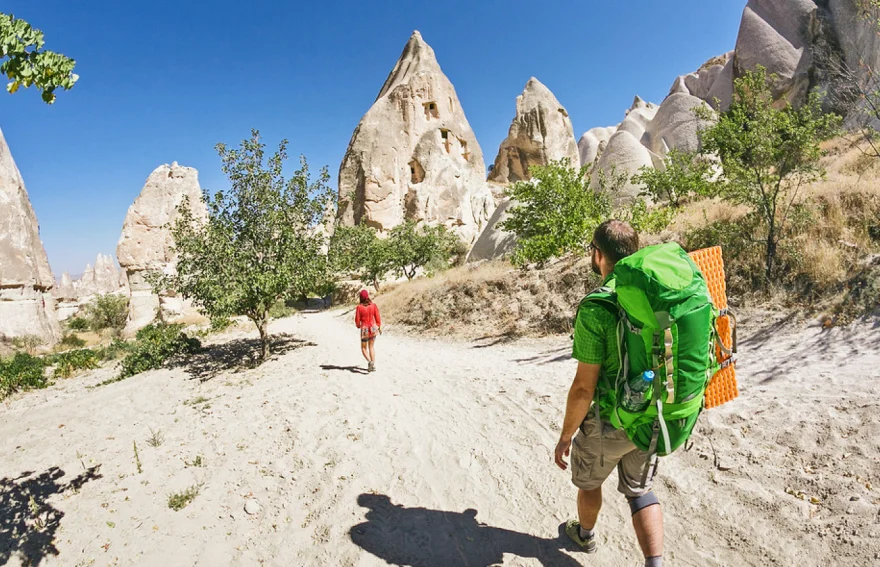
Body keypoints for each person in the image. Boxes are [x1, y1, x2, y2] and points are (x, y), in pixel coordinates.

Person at [553, 220, 664, 566]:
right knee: (640, 490)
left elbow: (584, 386)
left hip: (608, 422)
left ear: (598, 255)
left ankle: (584, 536)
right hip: (651, 413)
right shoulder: (655, 292)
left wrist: (566, 435)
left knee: (589, 482)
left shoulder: (597, 307)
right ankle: (655, 564)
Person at [355, 289, 381, 372]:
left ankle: (370, 362)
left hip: (365, 329)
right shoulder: (373, 305)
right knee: (371, 347)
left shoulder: (359, 307)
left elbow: (357, 320)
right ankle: (373, 365)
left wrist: (358, 325)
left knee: (363, 348)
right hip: (373, 328)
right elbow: (378, 318)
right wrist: (378, 326)